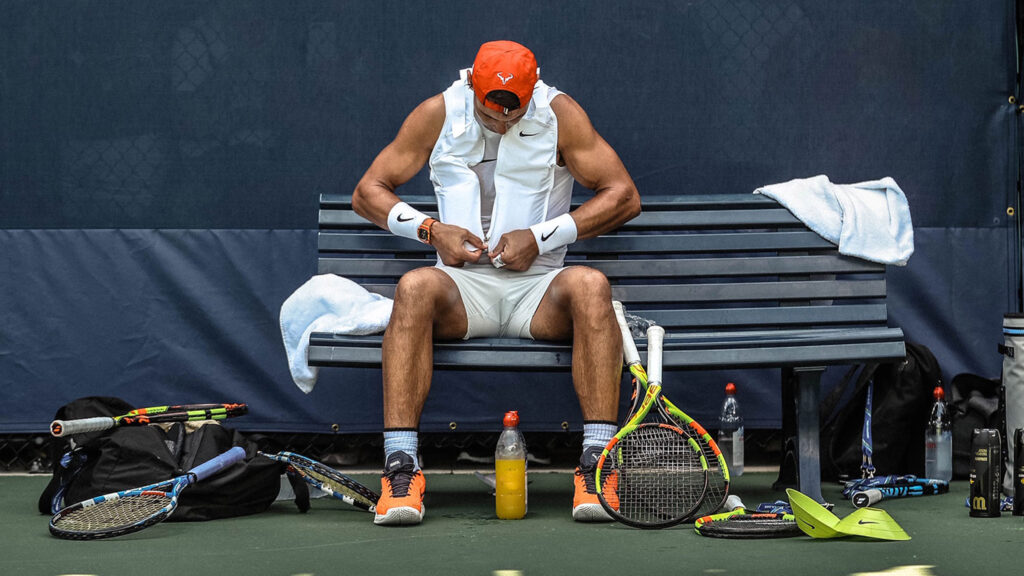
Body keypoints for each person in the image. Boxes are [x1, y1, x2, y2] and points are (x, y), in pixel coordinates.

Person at [351, 40, 641, 526]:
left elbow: (624, 196)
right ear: (472, 86)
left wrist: (541, 236)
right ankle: (401, 469)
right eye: (491, 116)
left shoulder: (561, 113)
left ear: (533, 90)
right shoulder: (437, 113)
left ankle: (597, 463)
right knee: (413, 287)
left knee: (592, 284)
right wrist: (431, 230)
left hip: (538, 287)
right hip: (461, 288)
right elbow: (367, 193)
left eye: (514, 114)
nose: (503, 124)